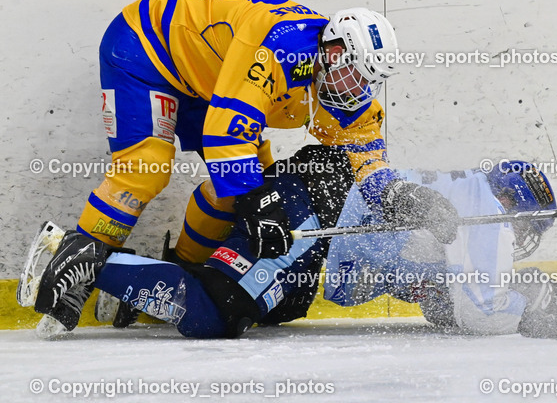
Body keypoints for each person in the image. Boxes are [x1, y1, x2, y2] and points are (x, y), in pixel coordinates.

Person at [26, 0, 459, 336]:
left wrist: (404, 195)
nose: (356, 91)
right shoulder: (278, 51)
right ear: (331, 51)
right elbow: (225, 134)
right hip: (149, 49)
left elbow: (365, 156)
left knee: (240, 192)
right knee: (147, 170)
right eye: (352, 74)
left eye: (369, 82)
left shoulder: (342, 83)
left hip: (212, 77)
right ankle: (76, 260)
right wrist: (259, 205)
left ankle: (185, 270)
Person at [27, 144, 459, 339]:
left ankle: (127, 287)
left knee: (235, 308)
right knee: (220, 311)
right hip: (308, 205)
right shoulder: (453, 201)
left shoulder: (450, 266)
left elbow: (446, 306)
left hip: (311, 231)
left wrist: (447, 301)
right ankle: (90, 257)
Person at [324, 160, 557, 337]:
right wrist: (533, 305)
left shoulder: (470, 189)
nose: (522, 240)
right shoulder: (490, 211)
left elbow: (442, 307)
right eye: (525, 228)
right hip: (322, 228)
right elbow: (483, 315)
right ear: (506, 201)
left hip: (330, 222)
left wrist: (517, 288)